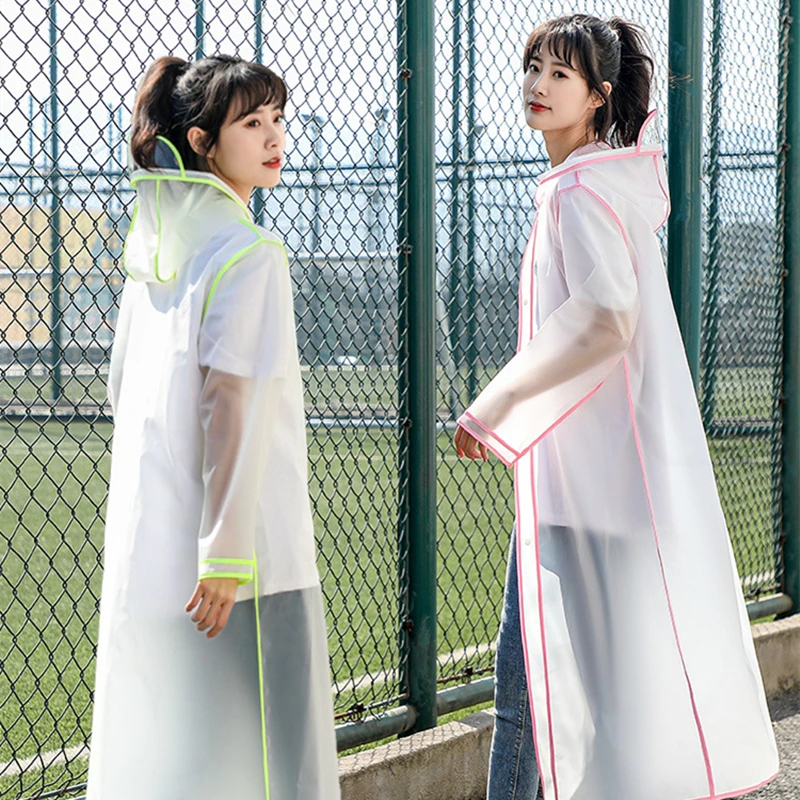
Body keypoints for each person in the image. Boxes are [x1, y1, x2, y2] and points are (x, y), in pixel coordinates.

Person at [454, 15, 779, 800]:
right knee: (586, 692)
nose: (537, 85)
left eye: (559, 74)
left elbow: (607, 315)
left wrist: (496, 403)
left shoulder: (578, 190)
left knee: (531, 691)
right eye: (533, 66)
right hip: (608, 481)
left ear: (598, 97)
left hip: (584, 483)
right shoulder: (600, 182)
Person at [86, 54, 340, 800]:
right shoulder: (247, 254)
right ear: (201, 141)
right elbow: (234, 405)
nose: (274, 138)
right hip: (247, 569)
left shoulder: (154, 255)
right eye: (251, 123)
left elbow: (121, 389)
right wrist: (226, 555)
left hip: (154, 553)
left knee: (178, 763)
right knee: (275, 765)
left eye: (277, 119)